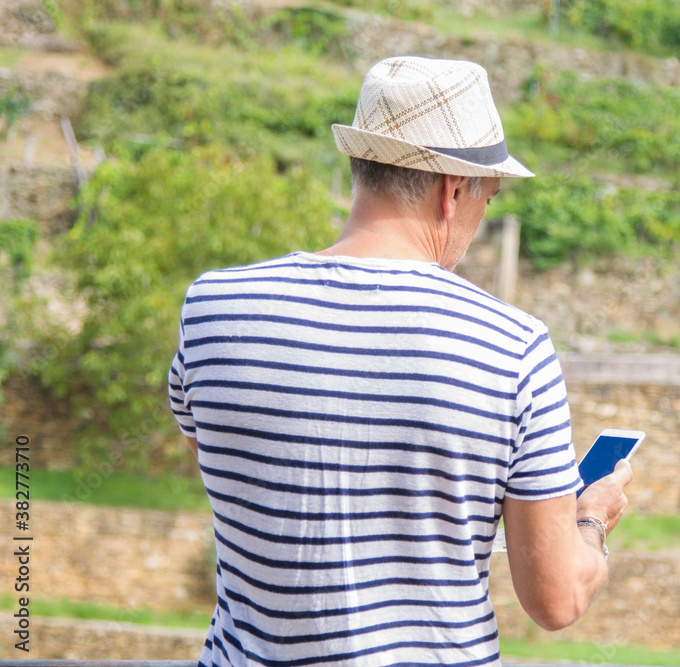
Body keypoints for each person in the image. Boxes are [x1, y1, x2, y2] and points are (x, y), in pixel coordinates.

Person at [168, 55, 633, 667]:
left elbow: (229, 470)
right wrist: (591, 517)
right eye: (487, 197)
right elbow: (556, 598)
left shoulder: (212, 306)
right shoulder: (514, 346)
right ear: (453, 189)